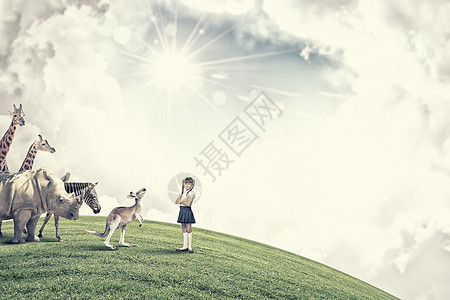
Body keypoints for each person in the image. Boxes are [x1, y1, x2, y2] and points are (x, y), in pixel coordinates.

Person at [175, 177, 196, 253]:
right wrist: (183, 200)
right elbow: (176, 201)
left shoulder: (192, 193)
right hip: (182, 210)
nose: (187, 185)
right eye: (186, 183)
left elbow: (188, 204)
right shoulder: (182, 192)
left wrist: (181, 201)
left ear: (192, 184)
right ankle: (185, 246)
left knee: (188, 228)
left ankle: (190, 247)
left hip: (187, 211)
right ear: (183, 184)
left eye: (189, 183)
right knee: (183, 228)